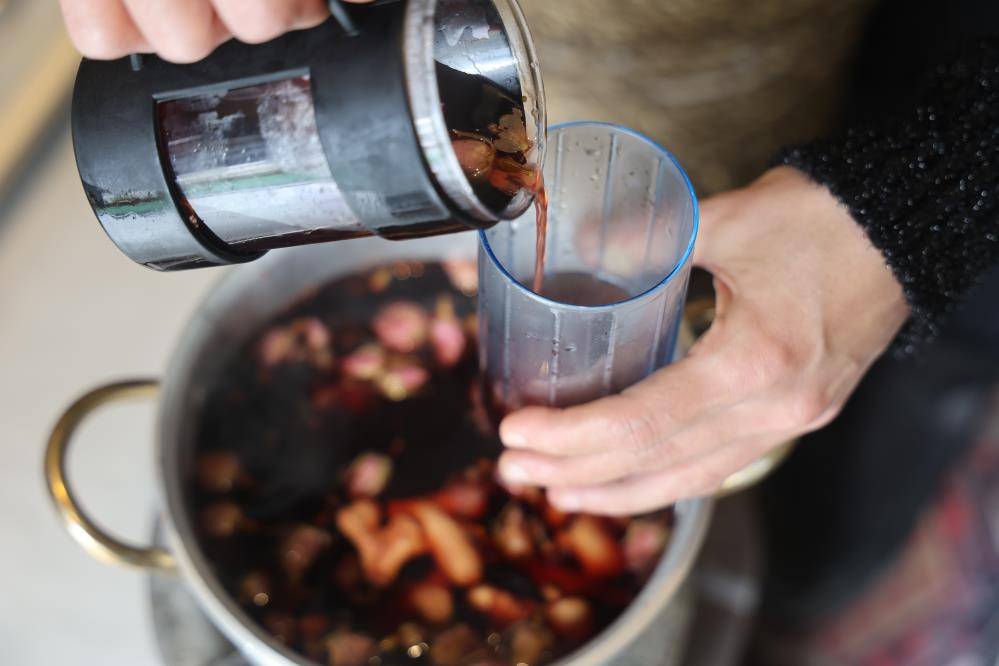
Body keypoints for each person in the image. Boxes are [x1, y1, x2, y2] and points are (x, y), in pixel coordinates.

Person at [59, 0, 999, 662]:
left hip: (826, 106)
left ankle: (827, 586)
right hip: (421, 83)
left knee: (854, 476)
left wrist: (918, 201)